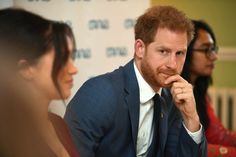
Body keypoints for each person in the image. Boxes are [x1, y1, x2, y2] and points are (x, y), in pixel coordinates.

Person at [64, 5, 207, 157]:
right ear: (140, 48)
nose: (173, 64)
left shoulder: (173, 98)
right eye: (163, 51)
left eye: (180, 53)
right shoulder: (100, 93)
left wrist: (191, 118)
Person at [0, 8, 79, 157]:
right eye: (62, 58)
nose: (73, 69)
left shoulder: (58, 124)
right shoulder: (8, 140)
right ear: (26, 68)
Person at [181, 20, 236, 157]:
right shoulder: (175, 93)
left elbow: (218, 135)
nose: (214, 56)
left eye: (213, 49)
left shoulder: (200, 93)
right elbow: (186, 148)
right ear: (185, 52)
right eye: (206, 49)